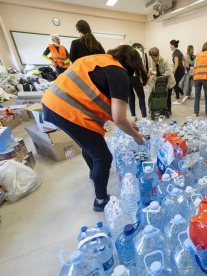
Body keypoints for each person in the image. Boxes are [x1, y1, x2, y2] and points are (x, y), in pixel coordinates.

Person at [42, 45, 147, 212]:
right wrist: (136, 136)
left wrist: (128, 124)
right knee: (103, 157)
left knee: (89, 145)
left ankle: (94, 174)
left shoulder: (98, 60)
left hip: (51, 102)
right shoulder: (120, 74)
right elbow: (119, 119)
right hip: (68, 110)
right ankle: (101, 200)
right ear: (132, 65)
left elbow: (101, 100)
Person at [148, 47, 176, 117]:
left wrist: (157, 73)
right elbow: (153, 69)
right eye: (151, 57)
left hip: (169, 82)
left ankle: (168, 110)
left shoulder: (165, 61)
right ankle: (162, 109)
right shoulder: (153, 61)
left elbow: (169, 72)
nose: (152, 59)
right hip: (160, 81)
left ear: (157, 56)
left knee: (167, 96)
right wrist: (150, 72)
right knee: (161, 95)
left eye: (153, 57)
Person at [193, 42, 207, 117]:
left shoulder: (198, 54)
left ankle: (196, 112)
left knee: (197, 95)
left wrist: (194, 76)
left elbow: (194, 66)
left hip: (197, 77)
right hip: (206, 78)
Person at [129, 43, 149, 121]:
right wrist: (144, 80)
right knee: (141, 97)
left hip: (126, 77)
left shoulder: (126, 54)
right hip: (134, 77)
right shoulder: (138, 53)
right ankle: (144, 117)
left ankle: (133, 116)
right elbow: (141, 68)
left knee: (130, 96)